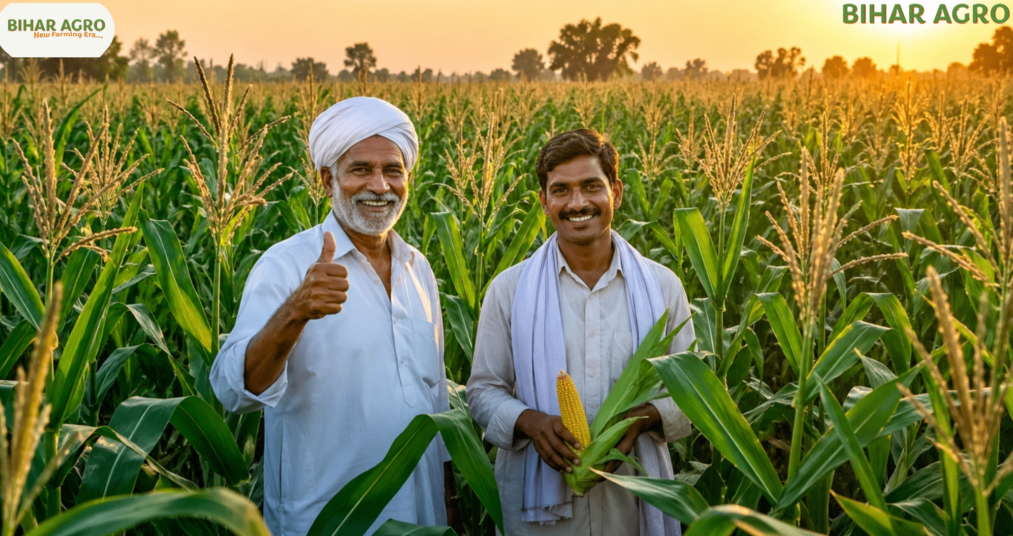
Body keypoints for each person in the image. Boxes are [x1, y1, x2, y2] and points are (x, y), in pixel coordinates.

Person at [210, 97, 457, 536]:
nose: (379, 185)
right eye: (361, 169)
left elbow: (436, 403)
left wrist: (447, 508)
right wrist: (296, 310)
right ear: (327, 180)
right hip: (326, 520)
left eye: (393, 170)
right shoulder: (286, 265)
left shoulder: (419, 268)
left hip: (420, 519)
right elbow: (235, 390)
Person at [466, 129, 696, 536]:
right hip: (538, 514)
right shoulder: (509, 290)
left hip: (635, 501)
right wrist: (529, 422)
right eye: (561, 190)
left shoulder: (662, 289)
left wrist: (643, 418)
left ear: (616, 192)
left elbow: (693, 395)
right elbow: (483, 392)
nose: (577, 203)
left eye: (592, 186)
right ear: (544, 201)